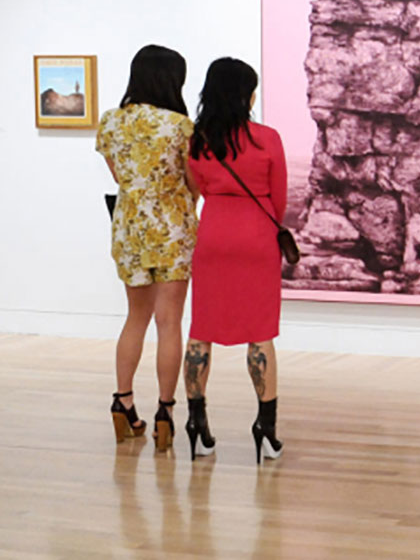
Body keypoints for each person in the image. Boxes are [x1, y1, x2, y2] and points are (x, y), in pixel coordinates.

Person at [183, 58, 288, 464]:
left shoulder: (198, 140)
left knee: (201, 328)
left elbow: (199, 186)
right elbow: (279, 198)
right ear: (245, 94)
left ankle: (197, 423)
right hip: (256, 235)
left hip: (213, 233)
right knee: (259, 331)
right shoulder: (267, 138)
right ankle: (266, 428)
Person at [96, 44, 198, 451]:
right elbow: (193, 184)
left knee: (134, 318)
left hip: (128, 229)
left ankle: (123, 402)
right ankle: (165, 412)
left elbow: (121, 176)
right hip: (173, 229)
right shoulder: (180, 126)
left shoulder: (110, 123)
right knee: (169, 321)